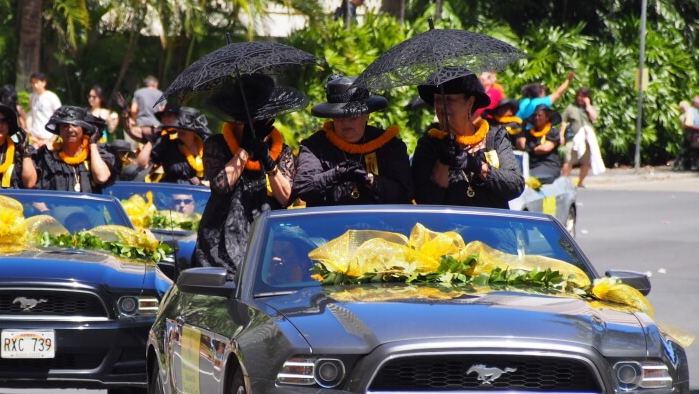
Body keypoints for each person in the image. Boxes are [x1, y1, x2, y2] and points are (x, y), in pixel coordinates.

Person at [193, 74, 304, 273]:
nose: (258, 124)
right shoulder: (216, 144)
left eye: (264, 118)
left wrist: (268, 162)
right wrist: (244, 150)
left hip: (265, 240)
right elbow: (220, 186)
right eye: (251, 118)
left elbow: (286, 197)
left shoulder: (283, 151)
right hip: (222, 240)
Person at [293, 75, 414, 206]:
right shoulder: (315, 146)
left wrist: (371, 180)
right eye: (339, 116)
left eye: (353, 116)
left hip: (379, 223)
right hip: (330, 223)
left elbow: (406, 193)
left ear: (366, 114)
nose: (346, 122)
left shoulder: (390, 145)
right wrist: (336, 174)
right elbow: (303, 187)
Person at [411, 69, 524, 208]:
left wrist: (477, 165)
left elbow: (515, 186)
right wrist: (443, 162)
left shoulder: (495, 138)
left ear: (470, 102)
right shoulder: (429, 144)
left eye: (449, 100)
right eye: (438, 100)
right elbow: (425, 201)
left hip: (493, 227)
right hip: (447, 228)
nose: (441, 107)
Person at [33, 106, 119, 193]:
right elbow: (39, 197)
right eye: (65, 126)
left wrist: (92, 143)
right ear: (59, 131)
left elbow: (101, 178)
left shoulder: (95, 155)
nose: (70, 130)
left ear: (83, 129)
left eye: (75, 125)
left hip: (89, 206)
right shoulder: (48, 159)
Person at [135, 106, 210, 185]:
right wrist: (152, 140)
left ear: (195, 131)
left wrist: (203, 183)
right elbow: (141, 164)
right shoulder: (167, 144)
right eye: (179, 127)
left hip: (197, 194)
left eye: (185, 128)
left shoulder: (206, 147)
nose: (181, 130)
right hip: (170, 193)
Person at [559, 87, 605, 187]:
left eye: (583, 96)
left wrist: (588, 105)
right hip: (572, 138)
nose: (580, 98)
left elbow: (594, 117)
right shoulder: (571, 107)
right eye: (579, 96)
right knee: (569, 160)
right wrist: (561, 135)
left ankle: (580, 182)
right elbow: (564, 121)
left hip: (587, 139)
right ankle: (563, 181)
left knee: (586, 161)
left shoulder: (591, 107)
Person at [516, 104, 562, 183]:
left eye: (540, 115)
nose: (536, 118)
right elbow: (521, 146)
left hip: (548, 164)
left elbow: (545, 148)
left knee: (529, 177)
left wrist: (529, 149)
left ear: (547, 117)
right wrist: (522, 132)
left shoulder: (552, 132)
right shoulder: (529, 133)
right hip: (530, 164)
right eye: (535, 116)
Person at [27, 72, 62, 148]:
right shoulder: (32, 97)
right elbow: (30, 114)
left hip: (48, 138)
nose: (35, 85)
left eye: (37, 82)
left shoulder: (52, 97)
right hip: (35, 138)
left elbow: (60, 117)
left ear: (44, 82)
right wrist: (30, 131)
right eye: (33, 83)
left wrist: (52, 139)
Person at [128, 75, 164, 142]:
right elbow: (163, 109)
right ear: (155, 84)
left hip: (141, 125)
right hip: (157, 126)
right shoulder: (160, 94)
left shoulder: (138, 93)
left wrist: (133, 120)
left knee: (141, 148)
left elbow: (133, 110)